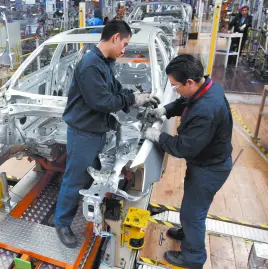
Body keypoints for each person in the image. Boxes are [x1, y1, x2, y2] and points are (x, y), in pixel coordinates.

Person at [53, 20, 160, 248]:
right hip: (84, 134)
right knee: (75, 178)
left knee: (90, 174)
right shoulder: (91, 65)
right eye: (124, 44)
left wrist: (138, 96)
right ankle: (61, 223)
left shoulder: (105, 62)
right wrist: (131, 100)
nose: (124, 50)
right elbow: (102, 101)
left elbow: (114, 89)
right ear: (114, 38)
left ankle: (83, 205)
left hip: (97, 130)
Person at [143, 55, 233, 268]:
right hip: (207, 162)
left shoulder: (206, 111)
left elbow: (183, 147)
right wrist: (165, 110)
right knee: (191, 207)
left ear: (190, 82)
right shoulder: (207, 88)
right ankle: (188, 234)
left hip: (210, 168)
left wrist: (157, 136)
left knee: (193, 214)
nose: (175, 90)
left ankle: (193, 258)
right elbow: (185, 102)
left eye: (176, 86)